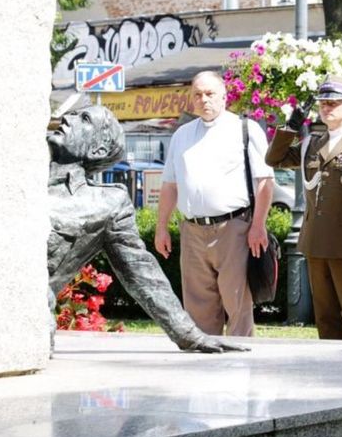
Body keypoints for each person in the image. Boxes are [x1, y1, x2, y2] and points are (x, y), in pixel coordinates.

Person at [47, 105, 243, 353]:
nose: (68, 117)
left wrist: (189, 335)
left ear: (98, 150)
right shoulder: (15, 172)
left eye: (83, 119)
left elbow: (142, 274)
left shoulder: (106, 204)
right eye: (74, 113)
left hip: (23, 314)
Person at [155, 71, 274, 337]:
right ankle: (204, 367)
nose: (203, 100)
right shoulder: (182, 135)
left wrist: (258, 226)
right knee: (198, 309)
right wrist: (161, 227)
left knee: (238, 305)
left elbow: (265, 182)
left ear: (224, 96)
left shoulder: (245, 129)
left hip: (234, 229)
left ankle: (242, 367)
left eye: (209, 94)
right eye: (197, 94)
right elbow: (170, 185)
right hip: (192, 231)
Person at [266, 76, 342, 340]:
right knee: (325, 315)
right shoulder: (312, 143)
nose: (327, 108)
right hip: (316, 242)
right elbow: (273, 159)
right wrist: (290, 128)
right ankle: (331, 369)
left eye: (334, 103)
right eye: (323, 103)